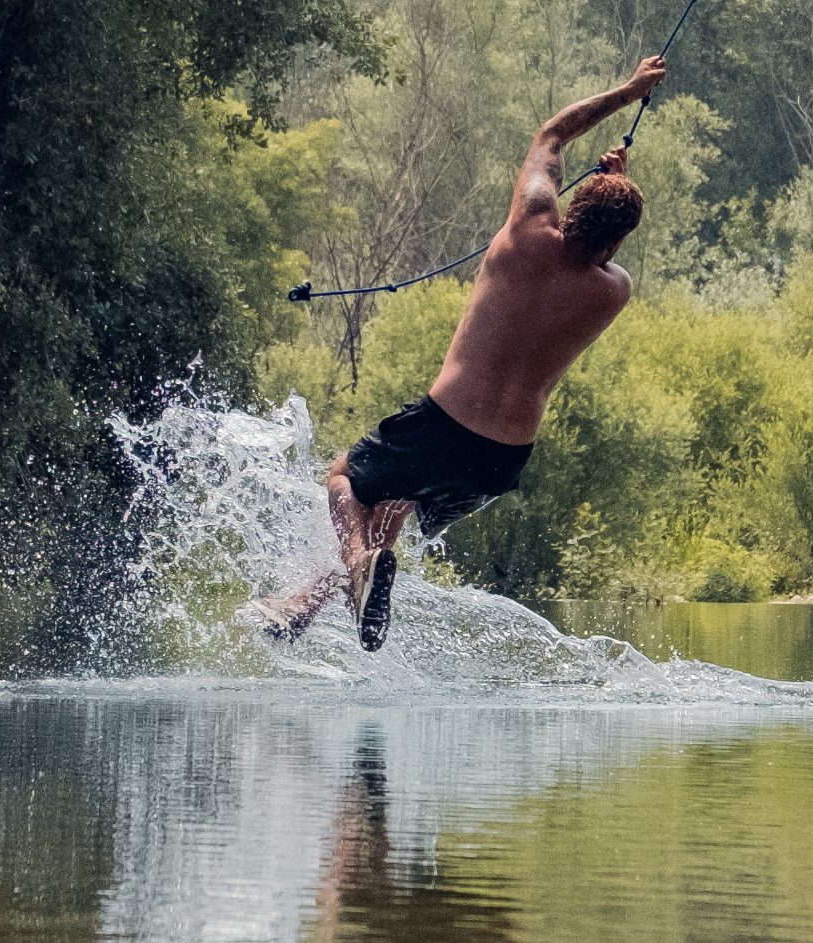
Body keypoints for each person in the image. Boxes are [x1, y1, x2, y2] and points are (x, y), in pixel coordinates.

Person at [259, 54, 668, 651]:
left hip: (447, 422)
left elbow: (552, 134)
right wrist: (614, 190)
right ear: (617, 240)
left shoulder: (528, 225)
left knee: (345, 478)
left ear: (570, 206)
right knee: (392, 507)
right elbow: (596, 246)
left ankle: (352, 567)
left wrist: (631, 91)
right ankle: (301, 608)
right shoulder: (613, 291)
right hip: (501, 462)